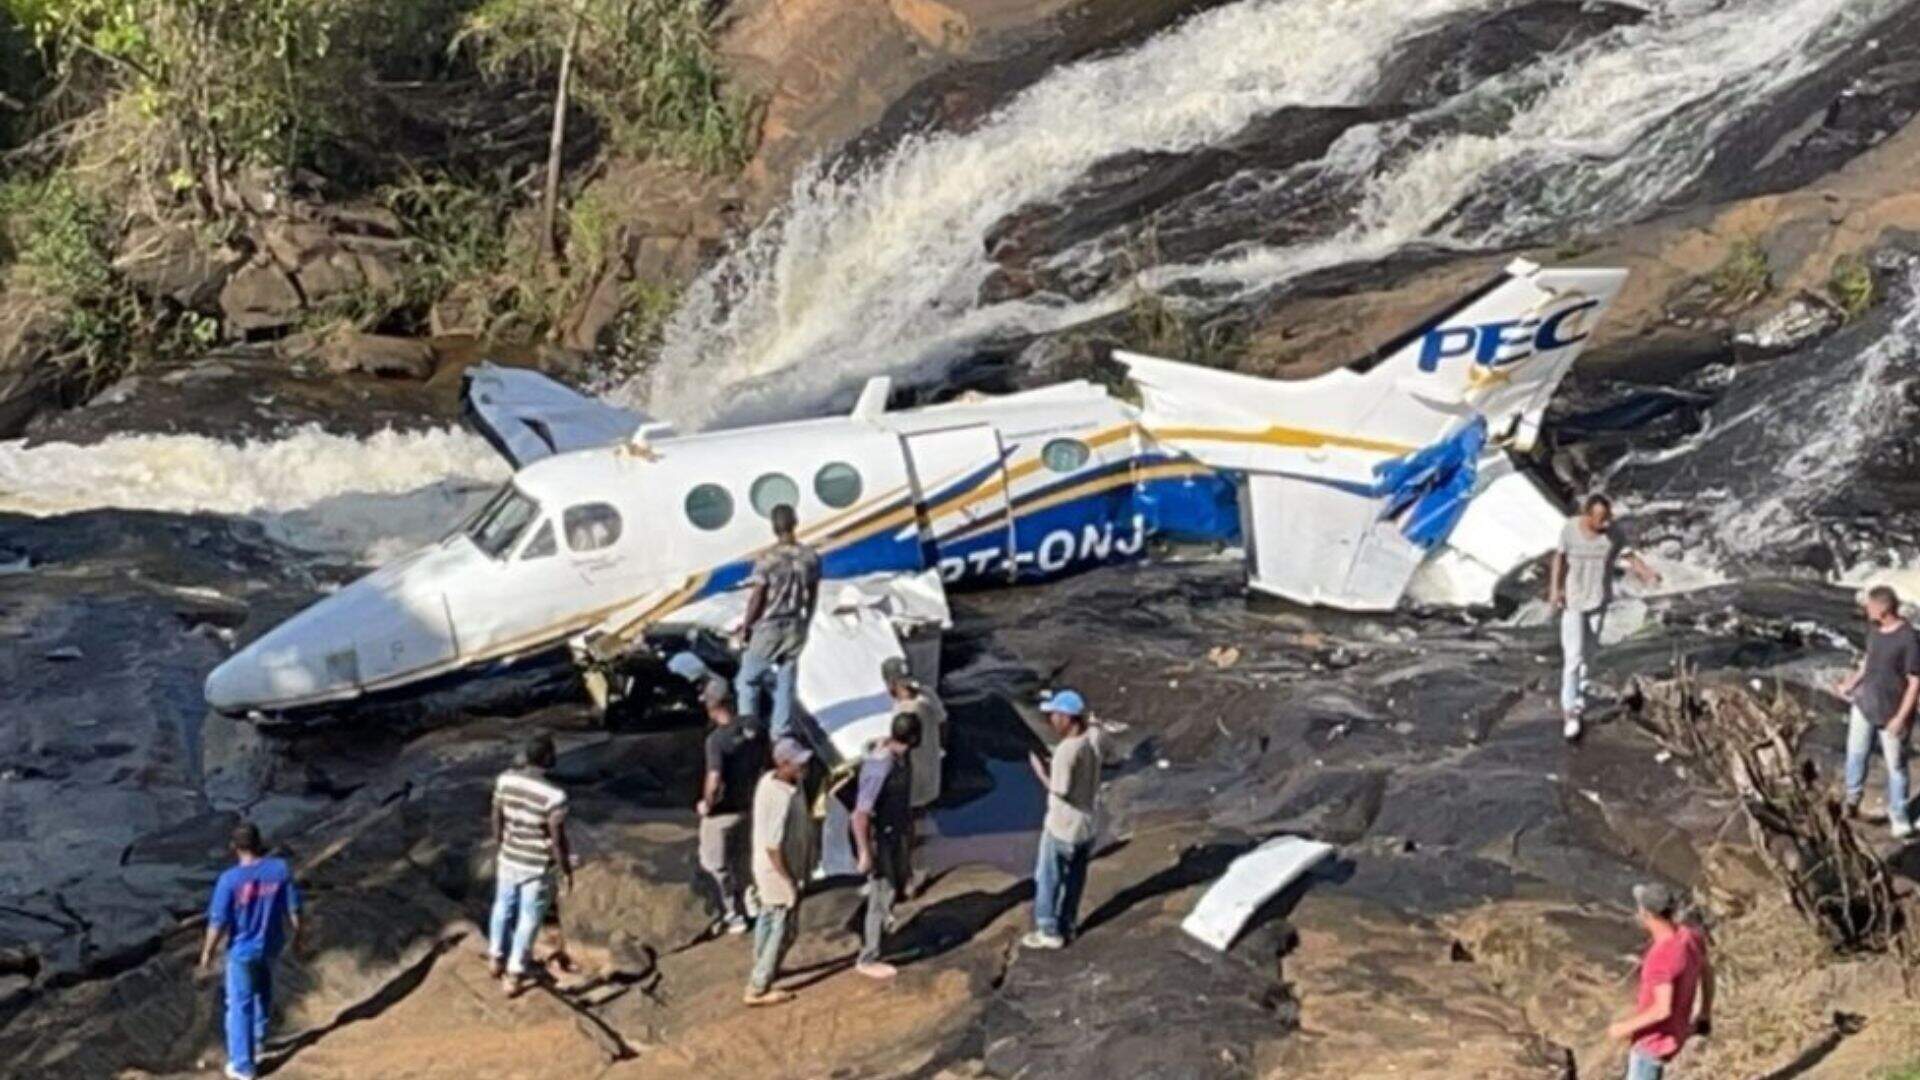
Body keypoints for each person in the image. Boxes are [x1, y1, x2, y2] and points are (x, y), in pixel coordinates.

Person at [1549, 494, 1660, 741]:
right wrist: (1555, 590)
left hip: (1599, 600)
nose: (1606, 524)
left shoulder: (1613, 534)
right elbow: (1560, 559)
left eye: (1608, 518)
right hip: (1573, 601)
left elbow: (1630, 556)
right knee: (1573, 658)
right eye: (1600, 519)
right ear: (1587, 515)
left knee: (1589, 653)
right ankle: (1570, 711)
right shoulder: (1570, 529)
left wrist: (1648, 573)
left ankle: (1582, 689)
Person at [198, 821, 302, 1080]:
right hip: (271, 945)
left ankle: (243, 1066)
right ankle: (258, 1043)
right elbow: (294, 909)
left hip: (242, 950)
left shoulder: (229, 880)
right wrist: (300, 937)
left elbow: (218, 921)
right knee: (263, 992)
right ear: (259, 843)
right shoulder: (279, 870)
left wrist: (207, 952)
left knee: (239, 1005)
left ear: (234, 847)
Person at [490, 734, 573, 995]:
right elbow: (557, 837)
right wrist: (565, 868)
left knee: (502, 906)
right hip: (536, 864)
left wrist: (500, 842)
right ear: (547, 759)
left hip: (509, 855)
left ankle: (495, 957)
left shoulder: (505, 780)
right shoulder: (554, 796)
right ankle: (515, 972)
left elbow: (496, 815)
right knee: (528, 918)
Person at [1836, 585, 1920, 838]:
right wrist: (1851, 683)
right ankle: (1852, 799)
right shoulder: (1874, 630)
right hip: (1865, 704)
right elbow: (1868, 660)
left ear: (1883, 610)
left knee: (1896, 767)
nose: (1866, 609)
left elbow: (1915, 681)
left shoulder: (1908, 639)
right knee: (1856, 753)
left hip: (1892, 712)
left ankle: (1899, 817)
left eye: (1870, 606)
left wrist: (1900, 718)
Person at [734, 503, 822, 742]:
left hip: (770, 626)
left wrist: (747, 625)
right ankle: (781, 732)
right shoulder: (810, 557)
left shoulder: (767, 559)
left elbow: (758, 596)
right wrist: (806, 621)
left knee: (747, 679)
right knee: (786, 678)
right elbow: (813, 593)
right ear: (796, 522)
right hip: (795, 624)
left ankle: (748, 729)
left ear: (774, 527)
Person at [1022, 689, 1102, 951]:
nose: (1051, 720)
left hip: (1062, 826)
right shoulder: (1093, 738)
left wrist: (1039, 771)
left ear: (1068, 718)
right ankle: (1068, 923)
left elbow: (1060, 789)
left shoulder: (1066, 751)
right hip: (1087, 824)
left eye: (1056, 715)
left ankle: (1047, 931)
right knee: (1075, 878)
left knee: (1048, 878)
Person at [1606, 883, 1713, 1079]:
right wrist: (1704, 1014)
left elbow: (1662, 1009)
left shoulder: (1660, 957)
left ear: (1646, 914)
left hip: (1651, 1045)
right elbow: (1707, 972)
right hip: (1675, 1036)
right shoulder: (1690, 937)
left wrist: (1622, 1028)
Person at [747, 737, 818, 1006]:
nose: (804, 767)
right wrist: (787, 881)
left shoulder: (782, 782)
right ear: (783, 763)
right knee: (783, 926)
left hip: (779, 866)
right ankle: (758, 986)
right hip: (776, 870)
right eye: (798, 763)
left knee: (768, 917)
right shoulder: (777, 797)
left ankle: (762, 966)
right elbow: (772, 846)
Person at [851, 710, 921, 979]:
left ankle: (879, 929)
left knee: (897, 884)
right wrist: (865, 852)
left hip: (896, 832)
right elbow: (860, 814)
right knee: (882, 892)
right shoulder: (882, 766)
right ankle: (868, 957)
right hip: (881, 837)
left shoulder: (900, 757)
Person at [698, 678, 763, 933]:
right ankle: (753, 906)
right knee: (744, 860)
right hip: (749, 806)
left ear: (713, 706)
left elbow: (714, 778)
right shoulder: (754, 726)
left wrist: (707, 804)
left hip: (722, 813)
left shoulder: (716, 741)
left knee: (716, 864)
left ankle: (732, 914)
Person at [883, 655, 946, 808]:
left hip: (913, 777)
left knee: (910, 811)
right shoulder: (928, 694)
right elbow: (943, 722)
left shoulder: (903, 712)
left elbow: (899, 749)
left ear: (892, 684)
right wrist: (939, 749)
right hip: (932, 769)